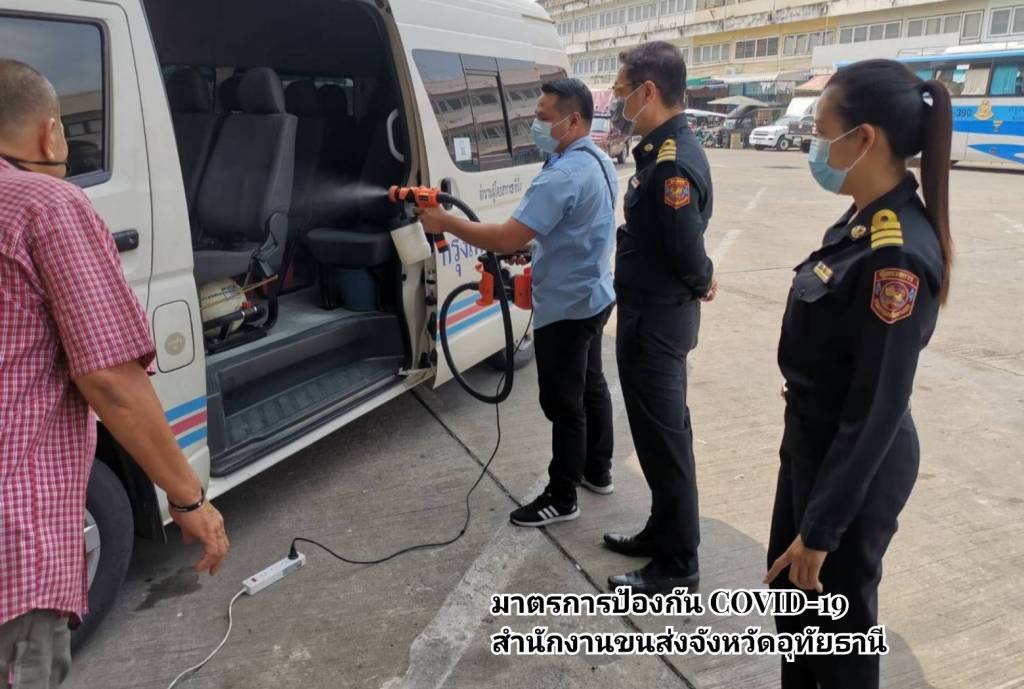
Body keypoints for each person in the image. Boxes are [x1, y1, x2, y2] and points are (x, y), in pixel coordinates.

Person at [0, 60, 230, 687]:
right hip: (13, 535)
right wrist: (189, 498)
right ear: (51, 133)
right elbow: (109, 379)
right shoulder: (46, 205)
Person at [762, 59, 953, 689]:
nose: (814, 147)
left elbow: (876, 407)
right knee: (794, 616)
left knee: (838, 637)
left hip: (853, 469)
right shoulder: (857, 222)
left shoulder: (895, 254)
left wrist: (821, 530)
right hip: (813, 448)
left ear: (864, 138)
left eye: (822, 132)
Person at [417, 78, 617, 527]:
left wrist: (444, 221)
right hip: (595, 294)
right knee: (591, 385)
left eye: (544, 118)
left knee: (564, 404)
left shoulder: (562, 175)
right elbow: (577, 226)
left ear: (573, 120)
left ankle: (562, 497)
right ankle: (597, 469)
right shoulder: (597, 160)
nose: (535, 125)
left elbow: (506, 237)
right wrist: (535, 246)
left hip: (566, 308)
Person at [602, 42, 717, 595]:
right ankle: (661, 529)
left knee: (666, 441)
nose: (618, 102)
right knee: (656, 437)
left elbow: (684, 250)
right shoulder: (661, 150)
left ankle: (678, 564)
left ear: (648, 92)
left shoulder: (670, 161)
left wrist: (705, 277)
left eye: (622, 92)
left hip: (657, 325)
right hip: (650, 317)